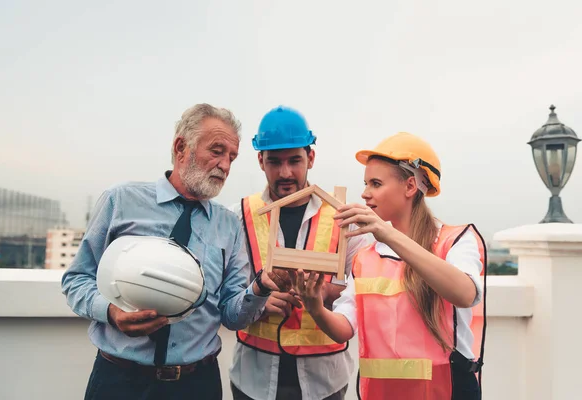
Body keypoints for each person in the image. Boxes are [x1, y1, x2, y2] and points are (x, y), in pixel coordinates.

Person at [61, 103, 289, 400]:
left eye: (232, 157)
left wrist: (259, 287)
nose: (225, 166)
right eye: (217, 151)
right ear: (181, 147)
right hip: (119, 381)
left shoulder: (228, 224)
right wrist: (113, 313)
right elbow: (76, 280)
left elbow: (232, 316)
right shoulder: (121, 201)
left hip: (197, 384)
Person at [292, 132, 487, 400]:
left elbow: (465, 294)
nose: (365, 193)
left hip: (447, 392)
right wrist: (314, 306)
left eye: (375, 183)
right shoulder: (365, 257)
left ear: (409, 187)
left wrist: (389, 235)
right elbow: (344, 328)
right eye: (365, 183)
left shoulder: (455, 241)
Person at [228, 106, 372, 400]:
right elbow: (227, 291)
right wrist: (259, 300)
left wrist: (320, 293)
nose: (285, 172)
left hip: (324, 381)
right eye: (274, 162)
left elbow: (360, 291)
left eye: (295, 160)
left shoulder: (344, 218)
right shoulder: (239, 216)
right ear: (260, 161)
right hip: (253, 378)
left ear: (311, 158)